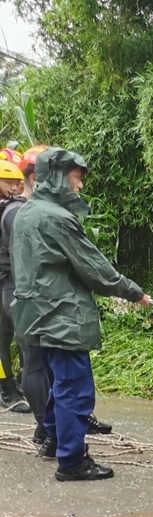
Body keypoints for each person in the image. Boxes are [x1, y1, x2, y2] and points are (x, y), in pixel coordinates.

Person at [9, 148, 151, 481]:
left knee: (60, 383)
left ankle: (54, 441)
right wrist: (132, 291)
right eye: (76, 177)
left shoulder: (27, 213)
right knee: (75, 387)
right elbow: (95, 269)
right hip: (62, 316)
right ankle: (71, 461)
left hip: (35, 315)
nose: (80, 186)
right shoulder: (57, 218)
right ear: (58, 176)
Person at [0, 155, 30, 413]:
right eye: (7, 182)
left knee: (18, 334)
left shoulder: (13, 209)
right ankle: (6, 388)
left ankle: (22, 382)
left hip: (9, 278)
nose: (14, 187)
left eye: (17, 183)